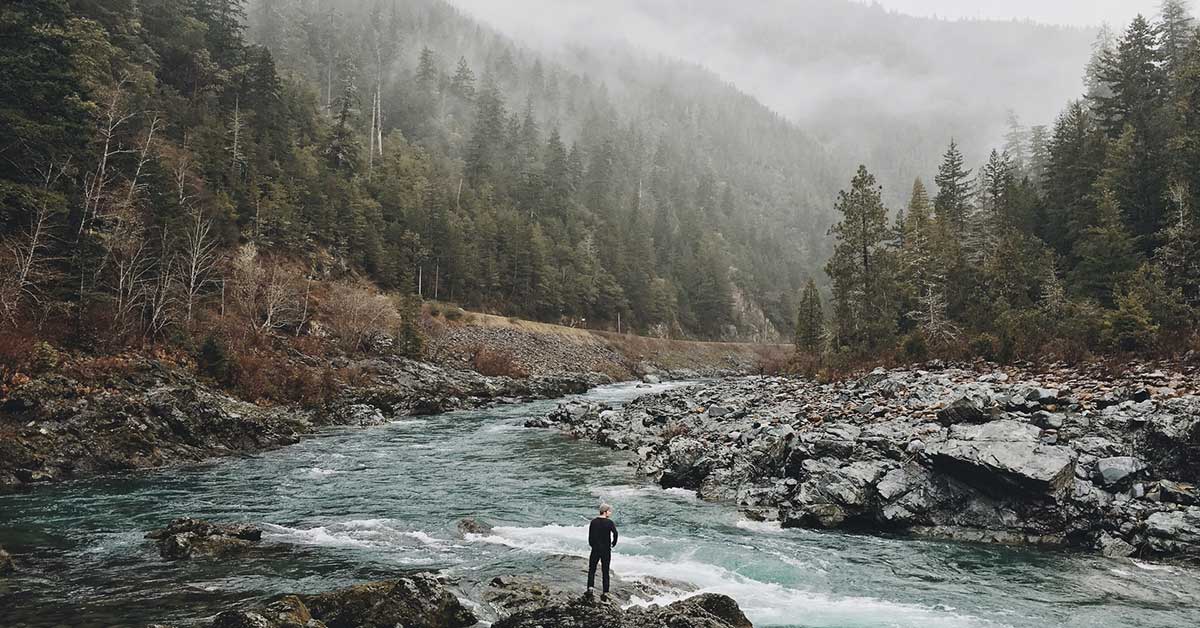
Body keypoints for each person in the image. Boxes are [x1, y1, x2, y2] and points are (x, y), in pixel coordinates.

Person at [586, 503, 618, 597]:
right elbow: (615, 534)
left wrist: (593, 545)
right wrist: (613, 543)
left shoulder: (593, 522)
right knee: (605, 571)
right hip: (606, 550)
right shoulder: (610, 522)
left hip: (595, 549)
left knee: (592, 569)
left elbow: (590, 537)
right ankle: (605, 592)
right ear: (605, 512)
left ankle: (590, 588)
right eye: (609, 511)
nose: (610, 513)